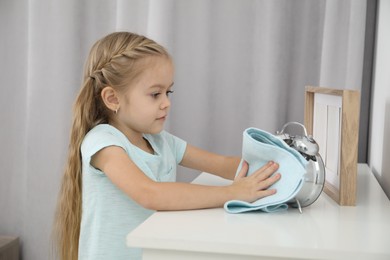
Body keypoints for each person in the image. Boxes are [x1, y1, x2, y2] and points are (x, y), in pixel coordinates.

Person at [53, 31, 281, 260]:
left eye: (168, 92)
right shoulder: (103, 143)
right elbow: (149, 194)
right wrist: (232, 193)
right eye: (155, 94)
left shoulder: (161, 142)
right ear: (113, 99)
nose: (166, 103)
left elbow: (221, 164)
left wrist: (277, 169)